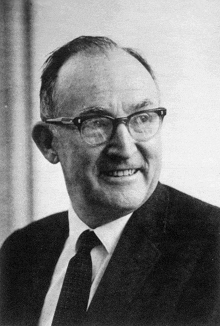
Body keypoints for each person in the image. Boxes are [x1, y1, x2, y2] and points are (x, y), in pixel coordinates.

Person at [0, 36, 220, 326]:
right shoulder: (20, 252)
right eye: (96, 122)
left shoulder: (212, 248)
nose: (125, 148)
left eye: (142, 118)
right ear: (49, 143)